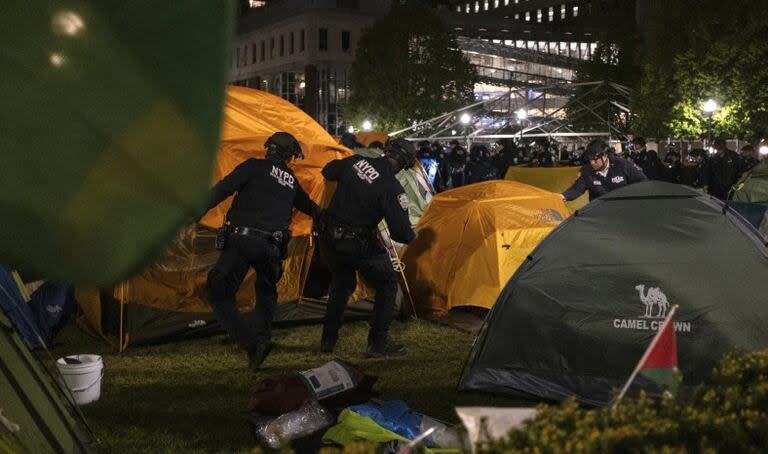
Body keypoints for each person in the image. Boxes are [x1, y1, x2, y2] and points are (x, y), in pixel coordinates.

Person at [199, 132, 320, 370]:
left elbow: (222, 189)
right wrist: (328, 218)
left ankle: (251, 343)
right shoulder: (291, 180)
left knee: (218, 289)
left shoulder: (253, 166)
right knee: (266, 291)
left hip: (243, 240)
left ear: (269, 149)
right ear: (288, 155)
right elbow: (309, 207)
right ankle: (263, 338)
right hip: (272, 247)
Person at [317, 139, 417, 358]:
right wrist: (412, 234)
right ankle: (377, 343)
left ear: (386, 151)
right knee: (388, 282)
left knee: (342, 283)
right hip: (356, 243)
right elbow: (400, 233)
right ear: (404, 164)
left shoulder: (356, 161)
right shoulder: (392, 188)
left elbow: (328, 171)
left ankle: (328, 339)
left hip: (328, 238)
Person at [562, 139, 648, 202]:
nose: (592, 162)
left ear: (605, 155)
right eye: (590, 159)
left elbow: (643, 182)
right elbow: (577, 189)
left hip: (623, 210)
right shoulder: (587, 170)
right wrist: (563, 197)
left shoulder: (623, 165)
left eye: (595, 159)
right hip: (598, 214)